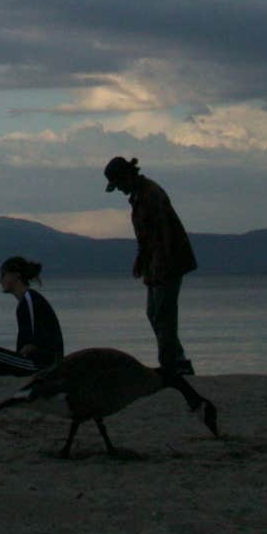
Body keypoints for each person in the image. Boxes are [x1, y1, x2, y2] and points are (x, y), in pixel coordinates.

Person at [105, 155, 195, 374]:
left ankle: (171, 364)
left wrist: (159, 268)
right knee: (154, 312)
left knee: (163, 315)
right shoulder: (139, 194)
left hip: (168, 263)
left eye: (118, 185)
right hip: (156, 263)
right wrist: (141, 260)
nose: (119, 190)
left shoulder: (150, 194)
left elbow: (163, 234)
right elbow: (146, 236)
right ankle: (177, 359)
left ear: (127, 176)